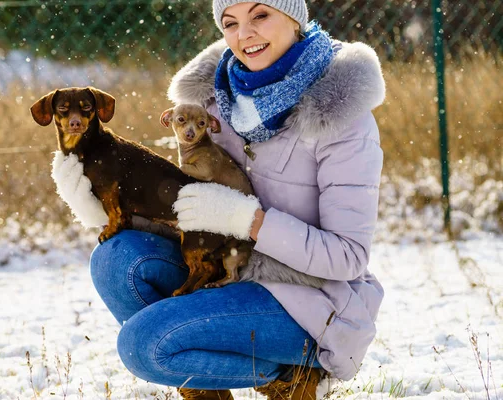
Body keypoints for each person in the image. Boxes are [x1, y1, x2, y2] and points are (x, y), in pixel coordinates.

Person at [51, 0, 386, 398]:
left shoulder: (339, 115)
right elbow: (193, 208)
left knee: (144, 346)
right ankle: (207, 389)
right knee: (114, 260)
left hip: (305, 298)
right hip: (220, 263)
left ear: (295, 19)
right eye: (230, 23)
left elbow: (347, 257)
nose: (244, 35)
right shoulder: (214, 102)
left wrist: (249, 220)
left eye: (260, 15)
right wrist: (103, 205)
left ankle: (292, 373)